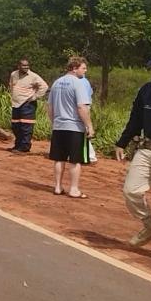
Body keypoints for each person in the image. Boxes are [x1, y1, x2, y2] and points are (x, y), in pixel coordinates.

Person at [113, 46, 151, 263]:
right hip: (146, 149)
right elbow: (135, 120)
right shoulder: (146, 90)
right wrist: (122, 142)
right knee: (131, 191)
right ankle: (150, 226)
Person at [46, 56, 94, 198]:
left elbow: (49, 106)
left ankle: (58, 187)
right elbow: (81, 107)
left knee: (59, 158)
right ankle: (74, 189)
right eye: (83, 68)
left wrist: (54, 122)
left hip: (59, 126)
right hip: (74, 127)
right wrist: (89, 126)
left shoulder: (56, 83)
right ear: (74, 68)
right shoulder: (78, 83)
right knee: (75, 160)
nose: (85, 71)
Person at [9, 58, 48, 153]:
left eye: (27, 66)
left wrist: (35, 97)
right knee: (16, 126)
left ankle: (25, 147)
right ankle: (17, 145)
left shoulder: (33, 76)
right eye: (23, 66)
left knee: (26, 126)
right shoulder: (14, 74)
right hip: (16, 104)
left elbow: (44, 86)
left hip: (27, 104)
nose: (26, 67)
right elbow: (11, 85)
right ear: (19, 66)